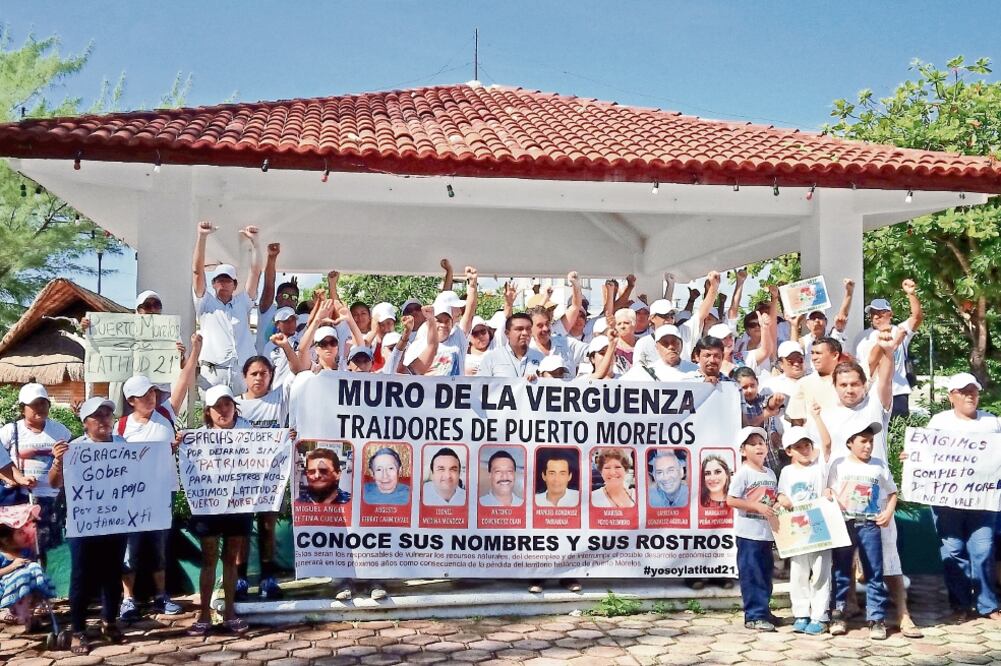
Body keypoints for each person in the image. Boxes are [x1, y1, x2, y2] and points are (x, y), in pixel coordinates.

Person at [49, 397, 129, 654]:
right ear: (85, 423)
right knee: (81, 576)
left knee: (113, 574)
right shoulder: (74, 448)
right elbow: (54, 483)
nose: (104, 419)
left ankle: (109, 622)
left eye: (107, 414)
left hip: (115, 521)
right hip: (83, 523)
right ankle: (78, 630)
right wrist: (58, 462)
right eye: (98, 415)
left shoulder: (122, 444)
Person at [924, 373, 1001, 622]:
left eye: (973, 390)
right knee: (953, 550)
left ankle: (988, 605)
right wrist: (913, 456)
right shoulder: (939, 421)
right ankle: (960, 606)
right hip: (947, 501)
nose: (969, 395)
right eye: (963, 391)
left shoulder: (992, 422)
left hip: (984, 501)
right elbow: (925, 452)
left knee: (983, 549)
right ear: (951, 396)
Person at [234, 346, 303, 602]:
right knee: (241, 529)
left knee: (267, 527)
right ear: (245, 376)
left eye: (264, 373)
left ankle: (268, 577)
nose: (259, 378)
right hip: (241, 478)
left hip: (271, 477)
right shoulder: (234, 404)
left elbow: (298, 370)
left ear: (271, 375)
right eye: (254, 373)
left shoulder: (280, 397)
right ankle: (239, 578)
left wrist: (285, 346)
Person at [185, 384, 253, 637]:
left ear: (234, 406)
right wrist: (180, 444)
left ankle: (230, 613)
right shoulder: (198, 437)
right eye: (217, 406)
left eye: (227, 404)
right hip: (209, 506)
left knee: (231, 559)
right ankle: (204, 614)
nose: (223, 410)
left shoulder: (248, 431)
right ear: (208, 411)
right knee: (209, 559)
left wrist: (284, 439)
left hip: (239, 504)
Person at [116, 375, 183, 622]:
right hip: (131, 497)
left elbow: (183, 382)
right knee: (129, 548)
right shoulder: (120, 427)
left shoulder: (165, 415)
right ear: (131, 400)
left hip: (161, 494)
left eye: (152, 393)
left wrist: (193, 355)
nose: (150, 398)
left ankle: (161, 596)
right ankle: (128, 599)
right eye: (143, 395)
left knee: (159, 546)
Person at [826, 422, 897, 640]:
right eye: (863, 441)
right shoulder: (839, 465)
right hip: (844, 524)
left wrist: (888, 512)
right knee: (841, 570)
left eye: (871, 441)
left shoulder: (878, 465)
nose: (868, 446)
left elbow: (892, 492)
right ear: (850, 443)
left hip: (870, 525)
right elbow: (829, 490)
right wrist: (830, 496)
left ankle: (876, 619)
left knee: (874, 571)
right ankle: (838, 615)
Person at [775, 413, 833, 636]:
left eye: (806, 445)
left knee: (821, 571)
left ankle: (820, 615)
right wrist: (782, 498)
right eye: (798, 447)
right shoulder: (787, 472)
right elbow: (781, 493)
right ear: (789, 451)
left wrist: (817, 417)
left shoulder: (819, 468)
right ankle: (801, 613)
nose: (804, 450)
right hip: (797, 528)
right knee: (798, 571)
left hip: (819, 526)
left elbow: (827, 445)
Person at [0, 384, 69, 566]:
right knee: (23, 549)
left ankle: (42, 580)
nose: (40, 408)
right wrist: (13, 479)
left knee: (48, 548)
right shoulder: (10, 431)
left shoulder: (60, 431)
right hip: (21, 501)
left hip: (51, 499)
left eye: (43, 403)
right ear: (23, 409)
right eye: (34, 404)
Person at [191, 221, 262, 393]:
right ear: (213, 284)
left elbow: (255, 272)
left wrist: (256, 243)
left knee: (244, 409)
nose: (223, 283)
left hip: (242, 373)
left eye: (227, 280)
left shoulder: (243, 302)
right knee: (211, 411)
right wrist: (202, 237)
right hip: (213, 373)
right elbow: (197, 272)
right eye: (219, 280)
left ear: (235, 284)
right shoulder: (205, 302)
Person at [727, 426, 779, 632]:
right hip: (748, 535)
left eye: (761, 443)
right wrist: (756, 506)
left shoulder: (770, 473)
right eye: (753, 444)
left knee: (766, 574)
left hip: (766, 535)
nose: (759, 447)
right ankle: (754, 616)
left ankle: (764, 611)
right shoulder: (743, 474)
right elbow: (731, 500)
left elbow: (772, 498)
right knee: (752, 574)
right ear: (743, 450)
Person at [853, 278, 923, 418]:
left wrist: (911, 294)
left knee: (896, 429)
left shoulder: (899, 330)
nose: (876, 317)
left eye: (880, 313)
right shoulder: (862, 337)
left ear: (890, 314)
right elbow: (863, 364)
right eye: (873, 313)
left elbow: (917, 318)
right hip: (871, 392)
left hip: (897, 392)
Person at [0, 504, 55, 631]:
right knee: (21, 576)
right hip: (6, 589)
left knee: (34, 570)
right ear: (6, 540)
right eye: (20, 533)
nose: (26, 534)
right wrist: (12, 566)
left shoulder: (26, 552)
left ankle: (30, 613)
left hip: (26, 589)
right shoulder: (2, 555)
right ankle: (17, 614)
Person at [734, 366, 785, 474]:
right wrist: (767, 413)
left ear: (757, 382)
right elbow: (749, 426)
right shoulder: (736, 406)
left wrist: (775, 400)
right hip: (747, 468)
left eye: (752, 385)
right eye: (744, 387)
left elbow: (770, 402)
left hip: (770, 463)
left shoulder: (763, 399)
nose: (749, 390)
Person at [478, 313, 544, 378]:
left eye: (528, 329)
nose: (525, 333)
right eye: (519, 329)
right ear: (507, 333)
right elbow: (480, 383)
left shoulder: (541, 358)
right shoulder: (491, 359)